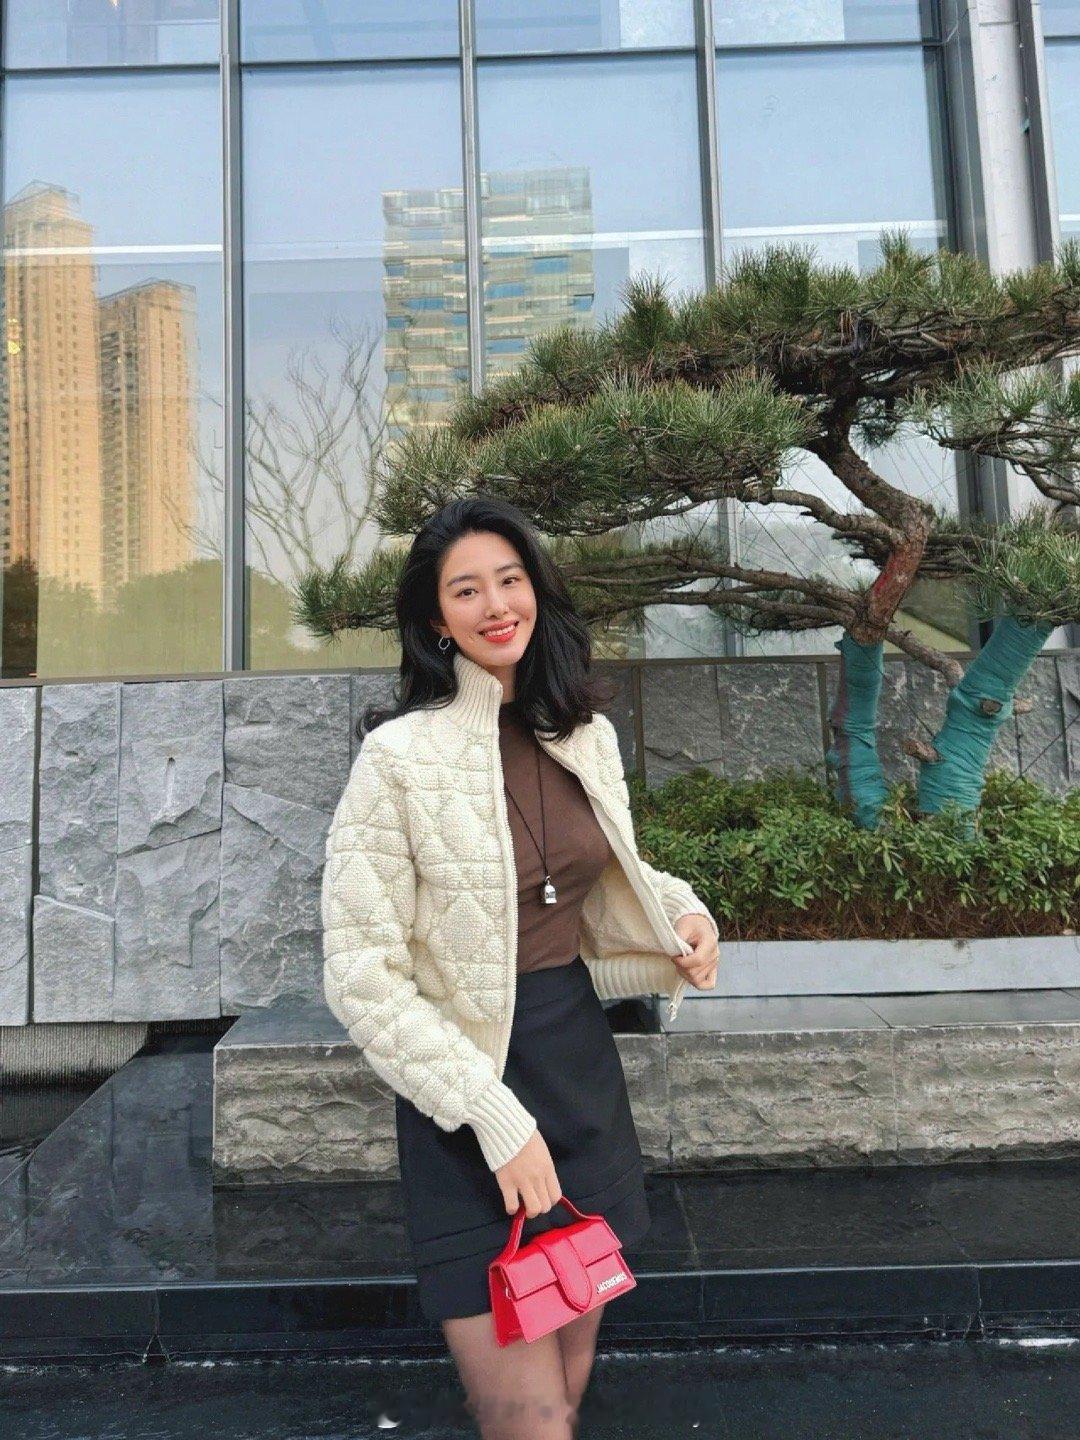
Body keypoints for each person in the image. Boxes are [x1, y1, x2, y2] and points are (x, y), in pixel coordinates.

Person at [321, 496, 719, 1439]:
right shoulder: (397, 759)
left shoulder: (582, 734)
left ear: (536, 590)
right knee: (530, 1419)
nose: (496, 605)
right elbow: (361, 973)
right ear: (435, 619)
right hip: (468, 1105)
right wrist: (494, 1120)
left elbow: (606, 872)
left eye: (510, 580)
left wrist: (685, 911)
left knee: (566, 1398)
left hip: (578, 1077)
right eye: (466, 590)